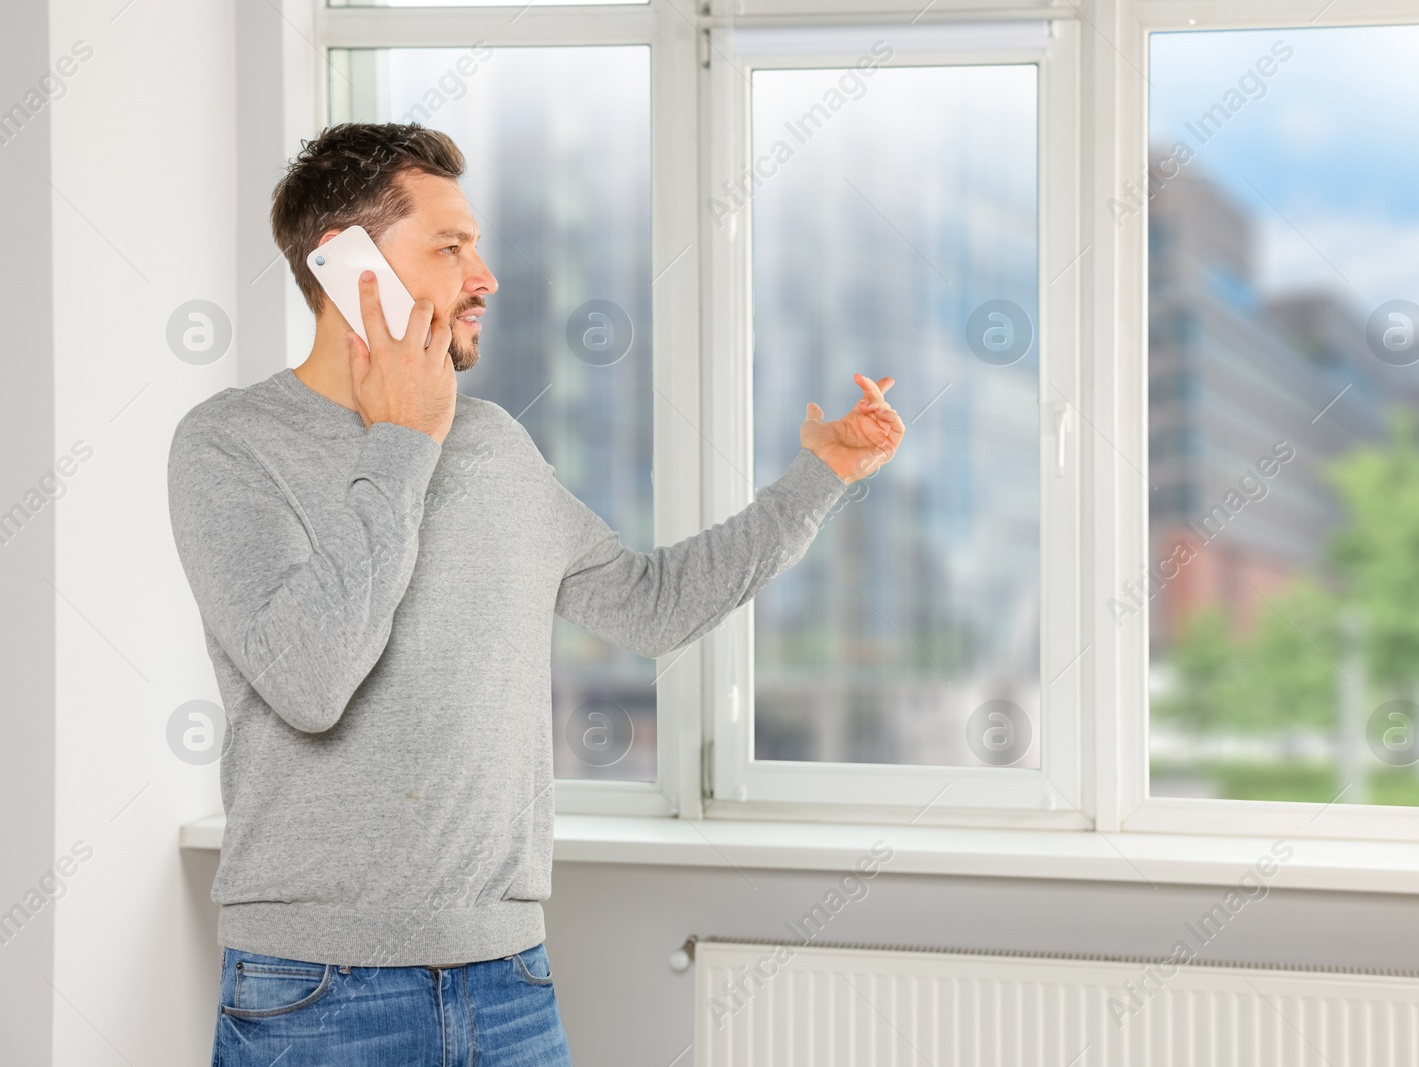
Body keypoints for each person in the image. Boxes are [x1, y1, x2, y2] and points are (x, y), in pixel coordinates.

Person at [167, 122, 904, 1066]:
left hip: (506, 981)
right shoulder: (227, 446)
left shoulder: (496, 448)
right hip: (313, 992)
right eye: (450, 245)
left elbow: (653, 604)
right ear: (352, 268)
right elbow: (311, 680)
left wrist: (822, 475)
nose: (486, 275)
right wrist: (403, 441)